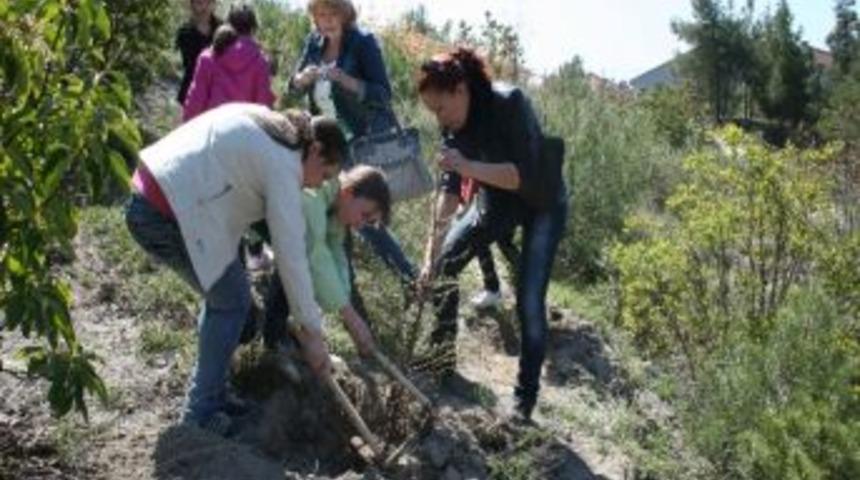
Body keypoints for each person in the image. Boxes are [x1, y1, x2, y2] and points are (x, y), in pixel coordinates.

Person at [124, 103, 349, 435]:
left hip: (165, 194)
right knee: (231, 301)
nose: (317, 185)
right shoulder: (284, 165)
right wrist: (313, 335)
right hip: (164, 209)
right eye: (325, 175)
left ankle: (213, 392)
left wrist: (307, 324)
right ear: (315, 150)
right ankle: (200, 413)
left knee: (229, 297)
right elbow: (290, 254)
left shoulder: (274, 130)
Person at [417, 48, 569, 421]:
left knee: (529, 300)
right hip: (498, 198)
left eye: (441, 108)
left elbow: (520, 175)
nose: (440, 118)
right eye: (433, 112)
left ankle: (524, 399)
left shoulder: (509, 103)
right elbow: (449, 193)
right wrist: (429, 257)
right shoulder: (452, 125)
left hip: (542, 200)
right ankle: (441, 362)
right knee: (447, 262)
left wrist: (467, 165)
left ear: (461, 90)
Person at [287, 0, 416, 293]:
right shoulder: (313, 42)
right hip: (324, 144)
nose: (326, 20)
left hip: (358, 144)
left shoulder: (363, 43)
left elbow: (382, 94)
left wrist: (347, 81)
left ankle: (409, 281)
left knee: (365, 220)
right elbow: (291, 88)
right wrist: (301, 79)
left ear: (345, 14)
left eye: (332, 13)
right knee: (330, 214)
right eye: (320, 14)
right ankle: (344, 286)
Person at [262, 166, 391, 360]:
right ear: (348, 192)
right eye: (364, 215)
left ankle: (285, 338)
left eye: (368, 221)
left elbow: (335, 254)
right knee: (237, 309)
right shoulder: (315, 194)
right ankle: (274, 340)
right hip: (231, 217)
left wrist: (346, 303)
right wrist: (350, 316)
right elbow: (315, 256)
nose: (360, 225)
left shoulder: (337, 208)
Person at [183, 3, 275, 122]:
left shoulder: (209, 57)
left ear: (227, 25)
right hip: (243, 130)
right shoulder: (261, 63)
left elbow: (195, 101)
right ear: (253, 29)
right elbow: (263, 109)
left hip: (210, 128)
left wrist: (187, 127)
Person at [175, 0, 221, 106]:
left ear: (213, 4)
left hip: (218, 92)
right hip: (191, 91)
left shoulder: (222, 29)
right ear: (192, 5)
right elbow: (189, 64)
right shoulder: (185, 32)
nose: (204, 7)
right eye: (199, 3)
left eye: (208, 3)